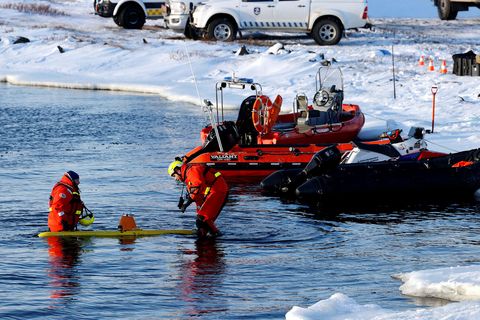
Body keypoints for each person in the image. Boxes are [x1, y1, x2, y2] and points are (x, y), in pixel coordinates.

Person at [168, 160, 228, 237]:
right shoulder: (188, 175)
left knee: (201, 219)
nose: (175, 179)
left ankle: (216, 235)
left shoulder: (192, 171)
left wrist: (186, 204)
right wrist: (197, 210)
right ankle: (206, 235)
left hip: (218, 191)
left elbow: (197, 188)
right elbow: (197, 196)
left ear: (177, 170)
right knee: (202, 223)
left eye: (174, 175)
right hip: (213, 192)